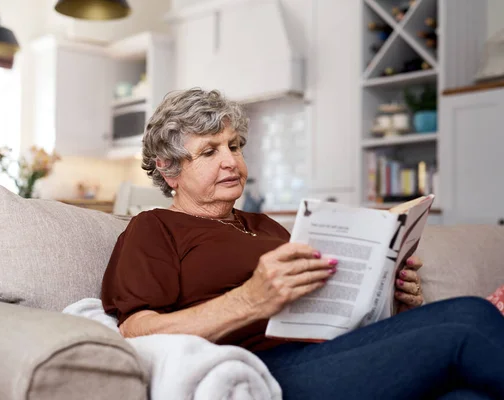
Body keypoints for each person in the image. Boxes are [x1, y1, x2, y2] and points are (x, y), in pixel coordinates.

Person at [102, 88, 504, 399]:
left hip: (331, 353)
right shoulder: (155, 228)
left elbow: (329, 311)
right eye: (209, 151)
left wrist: (392, 297)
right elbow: (137, 333)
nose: (231, 161)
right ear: (169, 170)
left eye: (235, 146)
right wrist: (250, 300)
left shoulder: (266, 226)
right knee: (468, 317)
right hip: (265, 368)